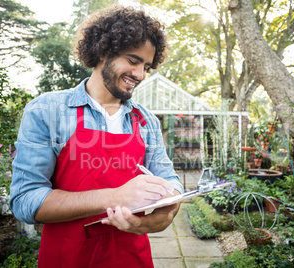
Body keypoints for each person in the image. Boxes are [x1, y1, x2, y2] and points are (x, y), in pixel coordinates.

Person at [10, 5, 184, 268]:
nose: (140, 75)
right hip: (67, 257)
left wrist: (165, 214)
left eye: (147, 66)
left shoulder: (145, 121)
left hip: (131, 258)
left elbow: (170, 183)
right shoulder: (48, 110)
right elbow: (25, 200)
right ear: (103, 51)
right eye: (133, 60)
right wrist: (114, 197)